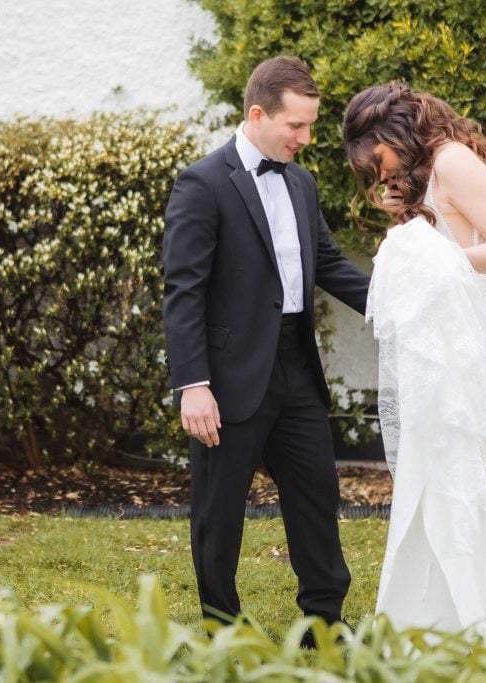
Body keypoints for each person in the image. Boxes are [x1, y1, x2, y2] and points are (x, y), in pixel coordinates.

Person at [162, 56, 370, 635]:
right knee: (219, 510)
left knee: (316, 496)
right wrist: (193, 384)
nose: (305, 139)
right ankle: (223, 627)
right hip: (226, 377)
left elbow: (325, 262)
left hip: (295, 366)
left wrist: (393, 306)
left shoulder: (301, 181)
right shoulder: (202, 183)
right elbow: (184, 292)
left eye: (309, 126)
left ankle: (324, 623)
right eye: (296, 127)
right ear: (257, 114)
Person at [342, 82, 486, 638]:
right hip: (440, 356)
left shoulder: (454, 163)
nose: (378, 176)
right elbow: (424, 259)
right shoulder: (416, 178)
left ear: (393, 134)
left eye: (377, 162)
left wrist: (443, 262)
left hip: (483, 350)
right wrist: (399, 213)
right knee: (436, 482)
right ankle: (435, 619)